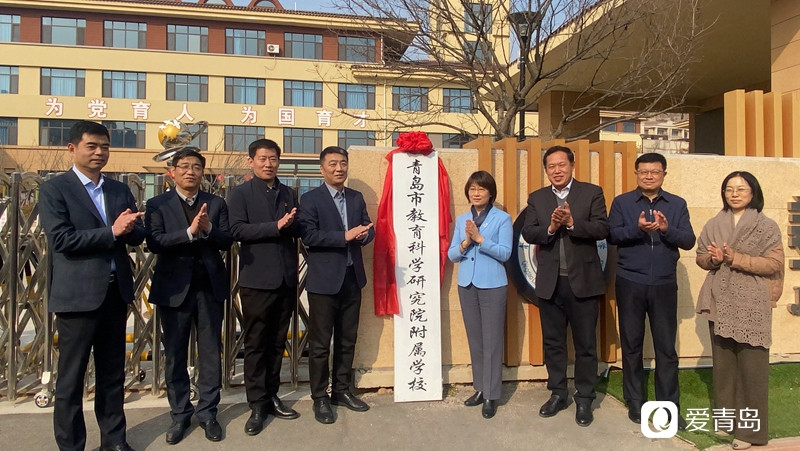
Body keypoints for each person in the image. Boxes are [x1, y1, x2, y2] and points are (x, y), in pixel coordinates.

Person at [39, 120, 145, 451]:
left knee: (112, 375)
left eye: (105, 147)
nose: (100, 153)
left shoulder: (118, 189)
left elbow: (134, 236)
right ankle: (72, 445)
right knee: (71, 379)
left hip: (115, 294)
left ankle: (114, 441)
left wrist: (136, 227)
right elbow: (62, 239)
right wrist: (113, 231)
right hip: (77, 298)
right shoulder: (55, 189)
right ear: (72, 149)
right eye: (92, 146)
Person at [145, 148, 233, 444]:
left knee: (210, 352)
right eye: (184, 166)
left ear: (202, 172)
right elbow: (155, 242)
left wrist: (208, 230)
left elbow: (228, 238)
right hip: (173, 290)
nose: (190, 171)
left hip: (209, 287)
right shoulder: (157, 204)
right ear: (172, 172)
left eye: (196, 166)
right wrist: (189, 232)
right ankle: (180, 414)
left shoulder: (216, 203)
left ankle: (208, 412)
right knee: (175, 354)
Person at [520, 145, 609, 427]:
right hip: (550, 284)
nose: (557, 170)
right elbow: (528, 231)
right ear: (546, 170)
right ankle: (558, 393)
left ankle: (584, 399)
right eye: (551, 166)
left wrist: (571, 223)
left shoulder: (591, 192)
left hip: (583, 282)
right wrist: (549, 228)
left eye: (562, 165)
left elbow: (602, 229)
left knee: (585, 345)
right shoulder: (538, 197)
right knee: (554, 343)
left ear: (572, 165)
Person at [696, 171, 784, 450]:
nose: (734, 194)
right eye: (729, 189)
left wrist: (736, 258)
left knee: (752, 369)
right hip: (718, 300)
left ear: (752, 192)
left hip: (751, 304)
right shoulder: (714, 223)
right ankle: (726, 423)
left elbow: (773, 264)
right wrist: (713, 258)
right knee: (724, 368)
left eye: (740, 189)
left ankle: (750, 433)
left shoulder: (766, 225)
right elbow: (700, 257)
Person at [607, 153, 695, 427]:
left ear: (663, 175)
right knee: (632, 344)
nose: (648, 176)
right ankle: (635, 402)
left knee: (665, 348)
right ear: (636, 174)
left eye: (654, 172)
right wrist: (638, 229)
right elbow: (611, 234)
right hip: (630, 281)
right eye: (643, 171)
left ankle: (668, 405)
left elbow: (689, 240)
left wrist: (667, 230)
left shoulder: (677, 204)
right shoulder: (622, 202)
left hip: (664, 284)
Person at [227, 139, 301, 435]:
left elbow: (296, 229)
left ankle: (272, 395)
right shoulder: (241, 194)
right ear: (251, 162)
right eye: (262, 158)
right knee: (256, 342)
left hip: (285, 278)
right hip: (256, 279)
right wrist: (276, 226)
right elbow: (236, 230)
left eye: (273, 159)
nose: (268, 164)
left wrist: (294, 223)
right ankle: (256, 403)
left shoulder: (289, 192)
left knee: (277, 340)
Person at [298, 146, 374, 425]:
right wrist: (345, 236)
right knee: (320, 344)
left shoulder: (355, 198)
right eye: (332, 164)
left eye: (343, 163)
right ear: (322, 168)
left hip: (353, 279)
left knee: (347, 339)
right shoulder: (310, 199)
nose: (339, 168)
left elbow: (368, 226)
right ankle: (320, 397)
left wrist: (365, 235)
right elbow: (309, 236)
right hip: (324, 282)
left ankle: (341, 390)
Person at [447, 171, 512, 419]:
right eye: (472, 188)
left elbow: (505, 253)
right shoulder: (463, 218)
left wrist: (480, 239)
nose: (476, 193)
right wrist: (465, 242)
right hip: (467, 284)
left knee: (492, 341)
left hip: (493, 285)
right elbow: (453, 255)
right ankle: (479, 388)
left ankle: (491, 395)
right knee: (476, 340)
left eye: (481, 189)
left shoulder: (502, 219)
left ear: (490, 193)